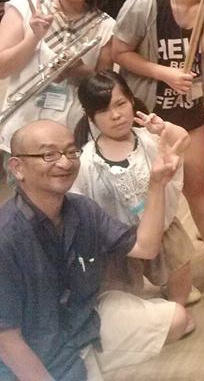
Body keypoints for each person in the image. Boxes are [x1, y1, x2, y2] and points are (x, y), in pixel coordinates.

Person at [0, 119, 190, 381]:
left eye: (71, 152)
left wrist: (156, 184)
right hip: (33, 355)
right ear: (17, 167)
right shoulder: (7, 236)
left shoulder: (81, 209)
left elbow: (145, 248)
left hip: (81, 326)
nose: (65, 163)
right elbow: (6, 338)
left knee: (176, 319)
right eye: (49, 155)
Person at [112, 0, 204, 296]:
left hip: (190, 107)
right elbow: (119, 52)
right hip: (147, 113)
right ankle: (162, 273)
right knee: (149, 190)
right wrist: (164, 72)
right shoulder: (146, 1)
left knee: (198, 184)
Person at [72, 72, 197, 320]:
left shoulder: (149, 139)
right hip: (119, 243)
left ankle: (175, 301)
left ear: (131, 100)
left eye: (120, 104)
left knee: (179, 272)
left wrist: (164, 128)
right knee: (122, 302)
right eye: (104, 110)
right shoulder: (87, 160)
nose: (116, 115)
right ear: (90, 116)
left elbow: (182, 140)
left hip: (162, 228)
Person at [0, 0, 115, 151]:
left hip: (74, 138)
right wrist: (33, 38)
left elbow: (105, 89)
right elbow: (1, 69)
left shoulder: (106, 25)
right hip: (21, 133)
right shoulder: (25, 7)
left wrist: (81, 72)